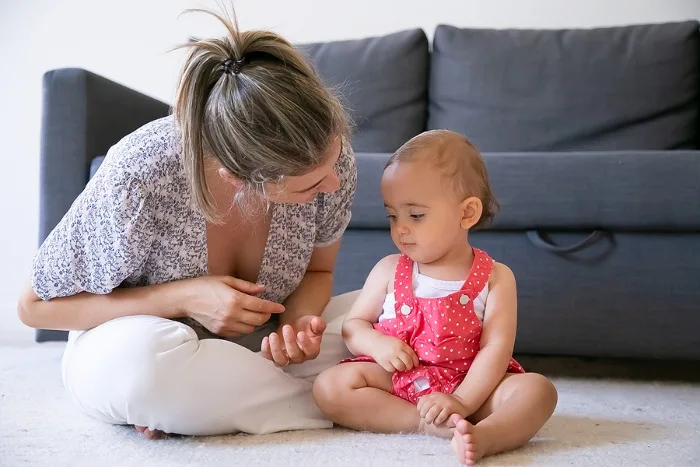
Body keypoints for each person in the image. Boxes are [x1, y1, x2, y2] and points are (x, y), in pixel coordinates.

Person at [17, 8, 358, 439]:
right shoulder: (141, 175)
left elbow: (319, 271)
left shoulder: (333, 154)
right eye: (311, 183)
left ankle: (204, 408)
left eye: (333, 163)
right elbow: (33, 307)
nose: (336, 183)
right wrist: (183, 298)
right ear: (236, 178)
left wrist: (295, 325)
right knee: (142, 369)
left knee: (392, 316)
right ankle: (343, 400)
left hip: (256, 351)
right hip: (149, 345)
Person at [312, 130, 558, 465]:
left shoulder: (496, 277)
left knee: (538, 391)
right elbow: (353, 326)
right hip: (402, 385)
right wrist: (376, 344)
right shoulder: (388, 269)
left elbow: (496, 350)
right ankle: (424, 423)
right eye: (392, 215)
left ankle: (488, 435)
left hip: (472, 384)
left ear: (467, 214)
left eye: (415, 215)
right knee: (330, 386)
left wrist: (462, 400)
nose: (400, 228)